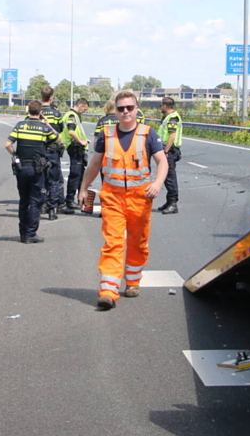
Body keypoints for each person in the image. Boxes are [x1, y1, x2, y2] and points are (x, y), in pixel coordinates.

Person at [79, 91, 168, 310]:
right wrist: (83, 187)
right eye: (121, 108)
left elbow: (162, 162)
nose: (125, 112)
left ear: (137, 109)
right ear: (115, 111)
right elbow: (95, 164)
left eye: (129, 107)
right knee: (113, 242)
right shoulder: (107, 135)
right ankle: (108, 291)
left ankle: (133, 282)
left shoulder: (148, 133)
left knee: (138, 242)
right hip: (113, 198)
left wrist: (156, 184)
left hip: (140, 198)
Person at [5, 100, 59, 244]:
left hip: (21, 168)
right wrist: (47, 123)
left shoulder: (20, 125)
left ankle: (23, 233)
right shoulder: (43, 128)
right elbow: (58, 139)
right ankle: (31, 234)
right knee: (35, 201)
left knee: (24, 200)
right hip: (37, 170)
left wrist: (15, 155)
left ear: (28, 111)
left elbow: (7, 144)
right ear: (40, 112)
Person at [39, 87, 64, 221]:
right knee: (53, 180)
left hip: (40, 149)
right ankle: (52, 209)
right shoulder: (56, 113)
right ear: (51, 97)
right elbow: (61, 129)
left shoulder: (36, 112)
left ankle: (42, 204)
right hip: (53, 149)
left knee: (40, 179)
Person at [61, 98, 90, 214]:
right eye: (85, 109)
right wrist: (81, 141)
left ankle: (79, 199)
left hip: (77, 147)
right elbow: (71, 131)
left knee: (80, 174)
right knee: (75, 174)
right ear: (81, 105)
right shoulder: (71, 115)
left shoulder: (75, 116)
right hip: (74, 147)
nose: (85, 111)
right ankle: (70, 200)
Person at [156, 96, 183, 214]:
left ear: (165, 105)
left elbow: (172, 136)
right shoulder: (168, 117)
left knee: (170, 177)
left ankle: (173, 204)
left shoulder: (173, 118)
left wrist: (165, 151)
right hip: (167, 149)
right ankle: (169, 202)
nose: (160, 107)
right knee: (167, 177)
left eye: (160, 105)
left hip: (170, 150)